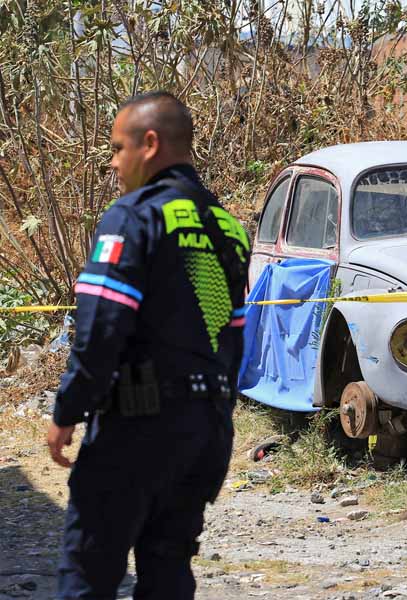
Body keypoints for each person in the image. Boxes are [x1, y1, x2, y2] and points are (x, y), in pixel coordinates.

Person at [46, 91, 249, 599]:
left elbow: (101, 331)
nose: (114, 163)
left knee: (87, 575)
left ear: (150, 143)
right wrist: (215, 414)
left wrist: (67, 410)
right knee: (167, 571)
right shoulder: (227, 226)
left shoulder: (135, 216)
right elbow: (236, 336)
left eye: (118, 148)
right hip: (205, 433)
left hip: (138, 428)